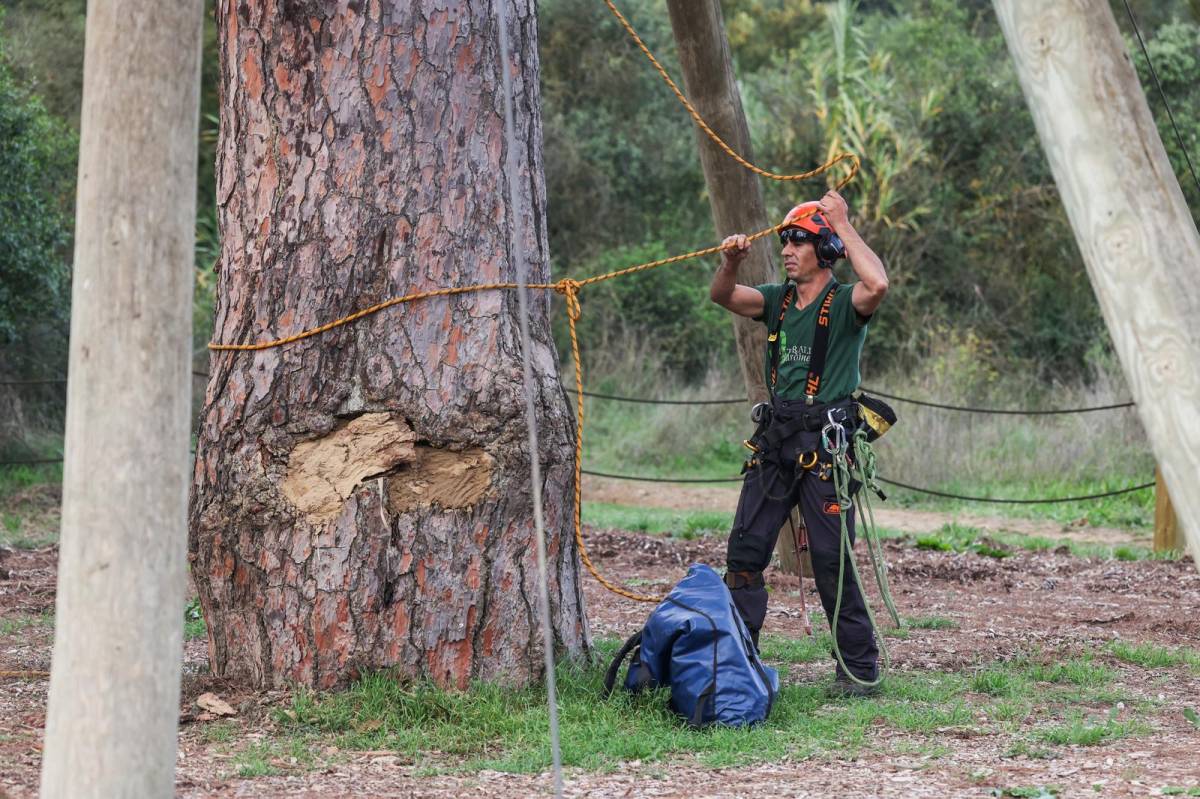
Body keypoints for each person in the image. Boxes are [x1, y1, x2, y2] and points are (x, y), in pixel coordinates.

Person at [709, 189, 889, 696]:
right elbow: (723, 296)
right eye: (785, 240)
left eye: (800, 241)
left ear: (826, 250)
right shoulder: (775, 301)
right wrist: (730, 262)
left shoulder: (846, 302)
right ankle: (740, 660)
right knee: (744, 554)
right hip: (776, 440)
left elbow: (878, 282)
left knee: (833, 559)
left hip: (827, 445)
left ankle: (858, 669)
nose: (787, 250)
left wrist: (843, 223)